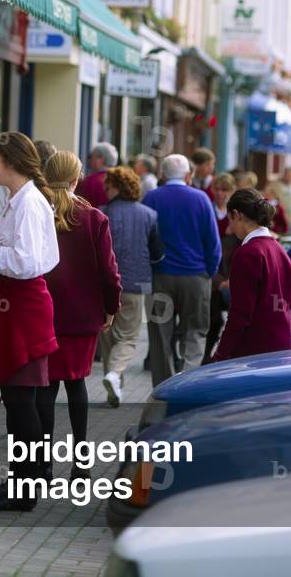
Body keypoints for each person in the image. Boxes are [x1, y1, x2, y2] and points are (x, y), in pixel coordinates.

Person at [0, 132, 59, 512]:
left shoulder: (30, 203)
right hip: (16, 308)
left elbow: (27, 262)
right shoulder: (22, 200)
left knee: (21, 402)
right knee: (21, 400)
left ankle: (24, 488)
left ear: (13, 161)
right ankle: (24, 483)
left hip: (22, 310)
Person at [36, 151, 120, 476]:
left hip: (43, 312)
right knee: (76, 385)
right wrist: (111, 307)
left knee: (45, 388)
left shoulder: (38, 214)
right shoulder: (94, 218)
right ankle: (81, 466)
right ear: (76, 179)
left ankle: (41, 466)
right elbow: (108, 272)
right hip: (83, 316)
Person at [142, 154, 222, 387]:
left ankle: (163, 388)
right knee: (195, 330)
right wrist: (209, 271)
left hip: (160, 278)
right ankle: (188, 383)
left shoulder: (151, 198)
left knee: (159, 335)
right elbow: (212, 241)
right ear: (189, 175)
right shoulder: (201, 199)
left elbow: (145, 239)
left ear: (163, 175)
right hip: (195, 277)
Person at [99, 166, 162, 407]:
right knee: (128, 336)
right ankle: (114, 375)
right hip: (138, 282)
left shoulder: (102, 214)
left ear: (116, 187)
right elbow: (157, 253)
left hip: (105, 283)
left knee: (107, 335)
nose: (105, 188)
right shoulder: (149, 215)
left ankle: (114, 385)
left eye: (108, 184)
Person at [212, 188, 291, 361]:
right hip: (281, 343)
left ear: (237, 215)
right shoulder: (279, 249)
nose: (230, 227)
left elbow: (240, 313)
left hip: (254, 350)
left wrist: (220, 354)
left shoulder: (248, 253)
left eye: (230, 220)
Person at [203, 173, 240, 362]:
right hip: (211, 271)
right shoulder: (207, 209)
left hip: (229, 273)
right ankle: (206, 356)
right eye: (217, 189)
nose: (220, 194)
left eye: (224, 190)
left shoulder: (236, 216)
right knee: (212, 320)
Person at [76, 142, 118, 208]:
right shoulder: (120, 180)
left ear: (100, 159)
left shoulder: (91, 181)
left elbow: (81, 207)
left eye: (91, 157)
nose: (89, 161)